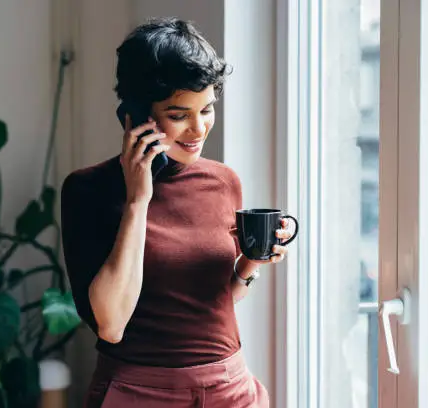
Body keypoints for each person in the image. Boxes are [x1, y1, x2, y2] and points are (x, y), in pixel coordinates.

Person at [60, 17, 294, 408]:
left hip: (230, 389)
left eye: (207, 109)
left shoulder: (224, 182)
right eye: (179, 114)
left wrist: (250, 264)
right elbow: (111, 324)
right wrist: (138, 201)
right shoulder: (88, 190)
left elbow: (212, 301)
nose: (199, 129)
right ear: (135, 117)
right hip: (139, 393)